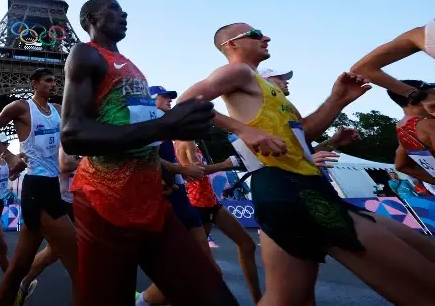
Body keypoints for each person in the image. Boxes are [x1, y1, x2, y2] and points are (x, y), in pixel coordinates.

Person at [179, 22, 435, 305]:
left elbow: (299, 137)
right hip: (293, 189)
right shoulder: (237, 71)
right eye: (255, 34)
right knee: (425, 284)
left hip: (291, 188)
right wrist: (241, 130)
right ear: (232, 45)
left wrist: (337, 101)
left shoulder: (264, 89)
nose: (266, 37)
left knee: (286, 298)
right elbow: (189, 101)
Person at [61, 0, 237, 306]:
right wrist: (165, 127)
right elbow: (73, 135)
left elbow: (137, 129)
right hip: (104, 200)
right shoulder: (85, 54)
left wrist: (176, 133)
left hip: (151, 201)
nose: (123, 12)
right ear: (91, 18)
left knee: (213, 295)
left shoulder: (131, 66)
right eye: (113, 8)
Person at [0, 68, 78, 306]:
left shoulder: (58, 110)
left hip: (53, 186)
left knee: (18, 268)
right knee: (79, 263)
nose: (54, 84)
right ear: (35, 83)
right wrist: (10, 157)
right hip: (37, 188)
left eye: (55, 81)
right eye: (48, 81)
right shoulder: (21, 107)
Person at [136, 86, 225, 306]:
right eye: (163, 97)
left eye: (170, 98)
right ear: (150, 102)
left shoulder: (170, 131)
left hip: (183, 198)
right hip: (164, 202)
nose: (168, 101)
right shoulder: (147, 127)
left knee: (210, 270)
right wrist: (183, 170)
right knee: (184, 274)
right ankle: (143, 301)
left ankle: (143, 301)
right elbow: (144, 159)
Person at [175, 139, 262, 303]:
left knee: (247, 245)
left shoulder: (190, 141)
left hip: (212, 203)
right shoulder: (186, 141)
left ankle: (259, 300)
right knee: (202, 266)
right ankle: (152, 297)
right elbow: (197, 171)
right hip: (198, 206)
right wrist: (225, 164)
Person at [14, 143, 82, 305]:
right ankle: (19, 285)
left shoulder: (92, 140)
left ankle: (22, 286)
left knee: (54, 254)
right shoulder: (66, 140)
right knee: (70, 261)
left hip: (84, 204)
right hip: (64, 204)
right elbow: (64, 164)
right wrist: (92, 162)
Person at [388, 80, 435, 185]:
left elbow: (401, 165)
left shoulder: (402, 129)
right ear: (414, 99)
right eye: (431, 93)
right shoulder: (429, 124)